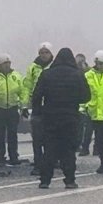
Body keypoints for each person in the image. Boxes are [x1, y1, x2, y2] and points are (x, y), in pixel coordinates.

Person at [30, 47, 90, 189]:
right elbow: (86, 96)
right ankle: (69, 180)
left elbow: (36, 96)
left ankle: (45, 180)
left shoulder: (46, 74)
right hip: (70, 117)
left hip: (50, 116)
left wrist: (38, 112)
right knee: (68, 149)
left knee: (49, 149)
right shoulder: (78, 75)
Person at [23, 43, 54, 176]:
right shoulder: (32, 68)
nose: (43, 55)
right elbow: (27, 87)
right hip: (37, 107)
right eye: (41, 52)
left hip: (52, 106)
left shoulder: (55, 67)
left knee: (51, 137)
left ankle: (51, 162)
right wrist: (24, 105)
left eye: (46, 52)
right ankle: (38, 164)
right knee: (36, 138)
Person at [75, 53, 93, 155]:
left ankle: (86, 146)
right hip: (79, 104)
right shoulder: (74, 71)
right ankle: (79, 145)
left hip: (90, 102)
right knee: (79, 126)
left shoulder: (89, 71)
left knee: (90, 126)